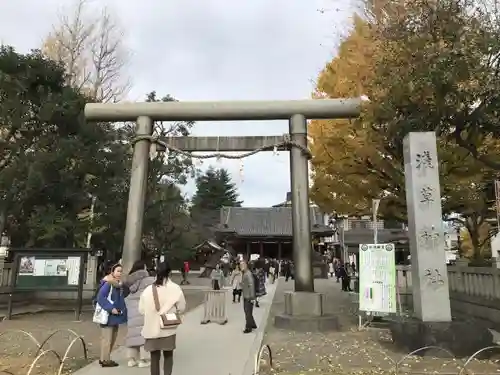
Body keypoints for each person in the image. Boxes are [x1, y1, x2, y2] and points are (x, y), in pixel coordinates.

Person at [139, 262, 186, 375]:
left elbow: (141, 310)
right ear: (169, 273)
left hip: (152, 328)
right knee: (168, 355)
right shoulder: (175, 289)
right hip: (168, 327)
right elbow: (182, 307)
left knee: (154, 357)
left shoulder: (147, 290)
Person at [123, 260, 155, 368]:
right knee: (144, 335)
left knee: (132, 334)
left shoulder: (128, 281)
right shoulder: (149, 280)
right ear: (144, 268)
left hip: (131, 309)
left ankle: (131, 359)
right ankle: (144, 359)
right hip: (144, 310)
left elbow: (125, 295)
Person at [96, 264, 128, 367]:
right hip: (108, 315)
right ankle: (106, 360)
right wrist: (111, 308)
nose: (119, 273)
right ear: (112, 272)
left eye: (121, 271)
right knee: (107, 339)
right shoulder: (108, 283)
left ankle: (104, 358)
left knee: (112, 338)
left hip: (115, 316)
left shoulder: (119, 285)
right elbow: (100, 297)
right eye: (118, 271)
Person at [240, 260, 257, 333]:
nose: (241, 267)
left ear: (246, 265)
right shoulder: (245, 273)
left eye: (243, 265)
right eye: (240, 265)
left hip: (248, 296)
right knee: (248, 311)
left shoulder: (248, 274)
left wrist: (252, 297)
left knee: (247, 312)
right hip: (246, 295)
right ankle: (252, 324)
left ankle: (248, 327)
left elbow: (251, 285)